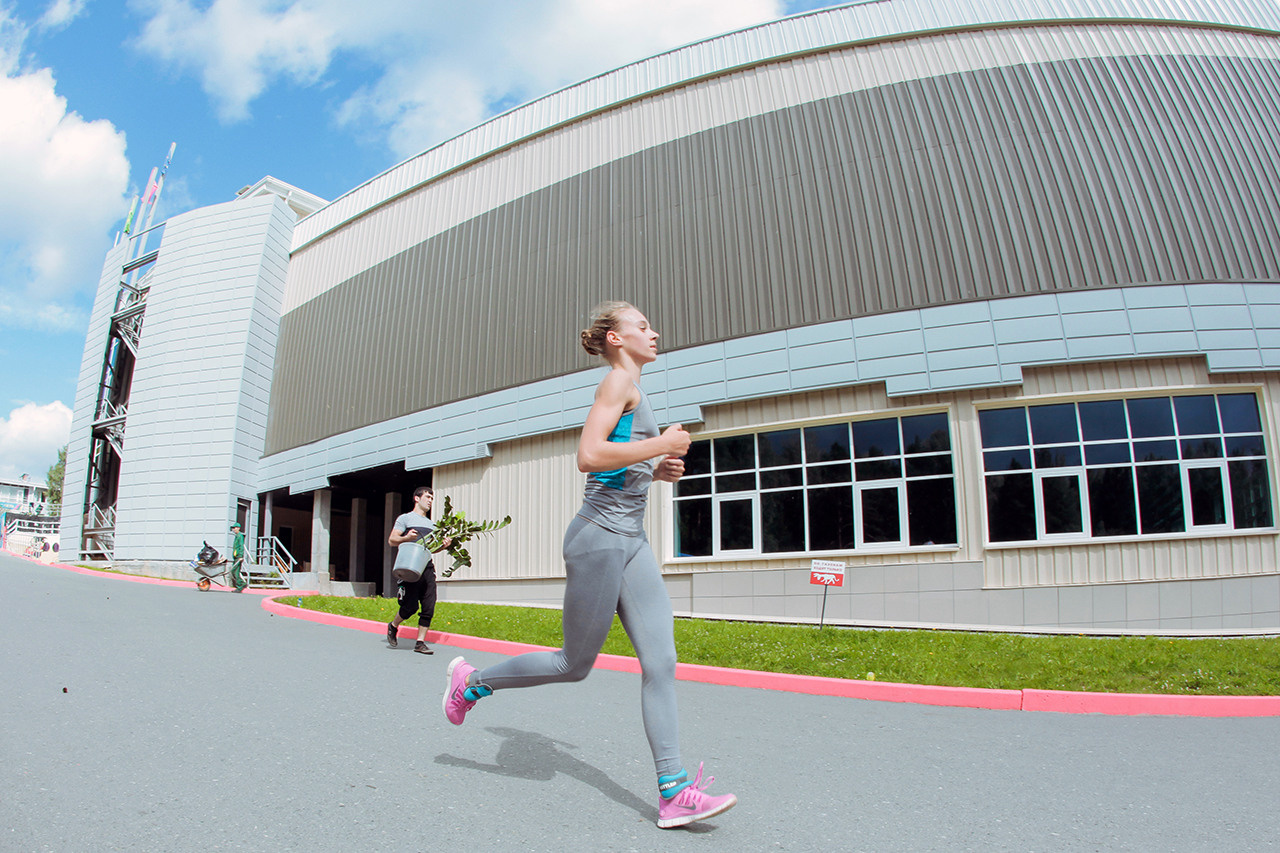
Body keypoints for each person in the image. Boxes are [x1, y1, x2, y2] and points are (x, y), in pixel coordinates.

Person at [441, 301, 737, 829]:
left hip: (632, 542)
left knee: (661, 661)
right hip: (598, 539)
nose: (655, 332)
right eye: (643, 326)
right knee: (572, 666)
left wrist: (657, 467)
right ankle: (471, 682)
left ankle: (674, 791)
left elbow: (622, 461)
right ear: (616, 339)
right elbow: (590, 455)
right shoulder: (616, 384)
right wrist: (662, 443)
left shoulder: (635, 389)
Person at [387, 486, 451, 654]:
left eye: (432, 498)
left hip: (427, 567)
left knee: (429, 604)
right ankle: (393, 626)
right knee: (410, 607)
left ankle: (420, 642)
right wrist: (406, 538)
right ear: (417, 498)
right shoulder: (405, 519)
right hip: (409, 566)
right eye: (427, 497)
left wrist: (443, 547)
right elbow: (392, 540)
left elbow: (431, 549)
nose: (430, 500)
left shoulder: (432, 525)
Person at [229, 522, 248, 592]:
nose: (233, 529)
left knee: (235, 572)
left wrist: (240, 556)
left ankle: (241, 585)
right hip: (235, 556)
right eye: (233, 528)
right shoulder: (237, 536)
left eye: (234, 528)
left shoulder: (240, 536)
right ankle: (241, 584)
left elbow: (241, 546)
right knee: (234, 571)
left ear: (238, 528)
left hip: (238, 557)